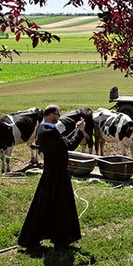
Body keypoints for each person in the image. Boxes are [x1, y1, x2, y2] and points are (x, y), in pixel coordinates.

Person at [18, 104, 86, 249]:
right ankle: (61, 238)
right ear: (50, 115)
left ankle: (38, 237)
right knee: (61, 206)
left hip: (52, 173)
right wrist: (79, 131)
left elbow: (62, 142)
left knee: (45, 206)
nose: (59, 117)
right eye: (57, 114)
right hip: (57, 174)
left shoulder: (45, 128)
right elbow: (69, 145)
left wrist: (74, 130)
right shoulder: (48, 132)